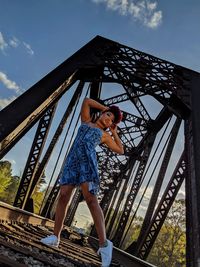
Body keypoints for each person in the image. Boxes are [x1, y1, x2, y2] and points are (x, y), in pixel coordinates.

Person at [41, 97, 124, 267]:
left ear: (111, 124)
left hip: (88, 164)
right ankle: (55, 237)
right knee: (63, 196)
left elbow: (121, 150)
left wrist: (114, 130)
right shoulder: (85, 121)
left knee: (91, 200)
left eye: (111, 120)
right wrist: (106, 107)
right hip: (72, 162)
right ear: (102, 113)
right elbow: (86, 101)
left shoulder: (105, 135)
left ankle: (105, 244)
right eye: (108, 114)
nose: (108, 118)